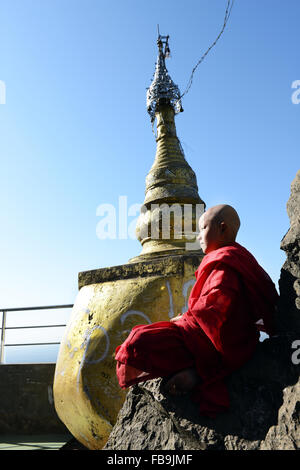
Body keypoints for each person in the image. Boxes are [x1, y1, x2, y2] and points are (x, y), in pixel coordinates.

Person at [115, 205, 279, 417]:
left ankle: (200, 371)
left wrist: (184, 319)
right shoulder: (232, 257)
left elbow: (216, 310)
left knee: (139, 339)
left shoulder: (226, 260)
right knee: (144, 337)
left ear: (222, 229)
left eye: (202, 228)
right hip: (232, 341)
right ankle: (197, 372)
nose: (198, 236)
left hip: (219, 341)